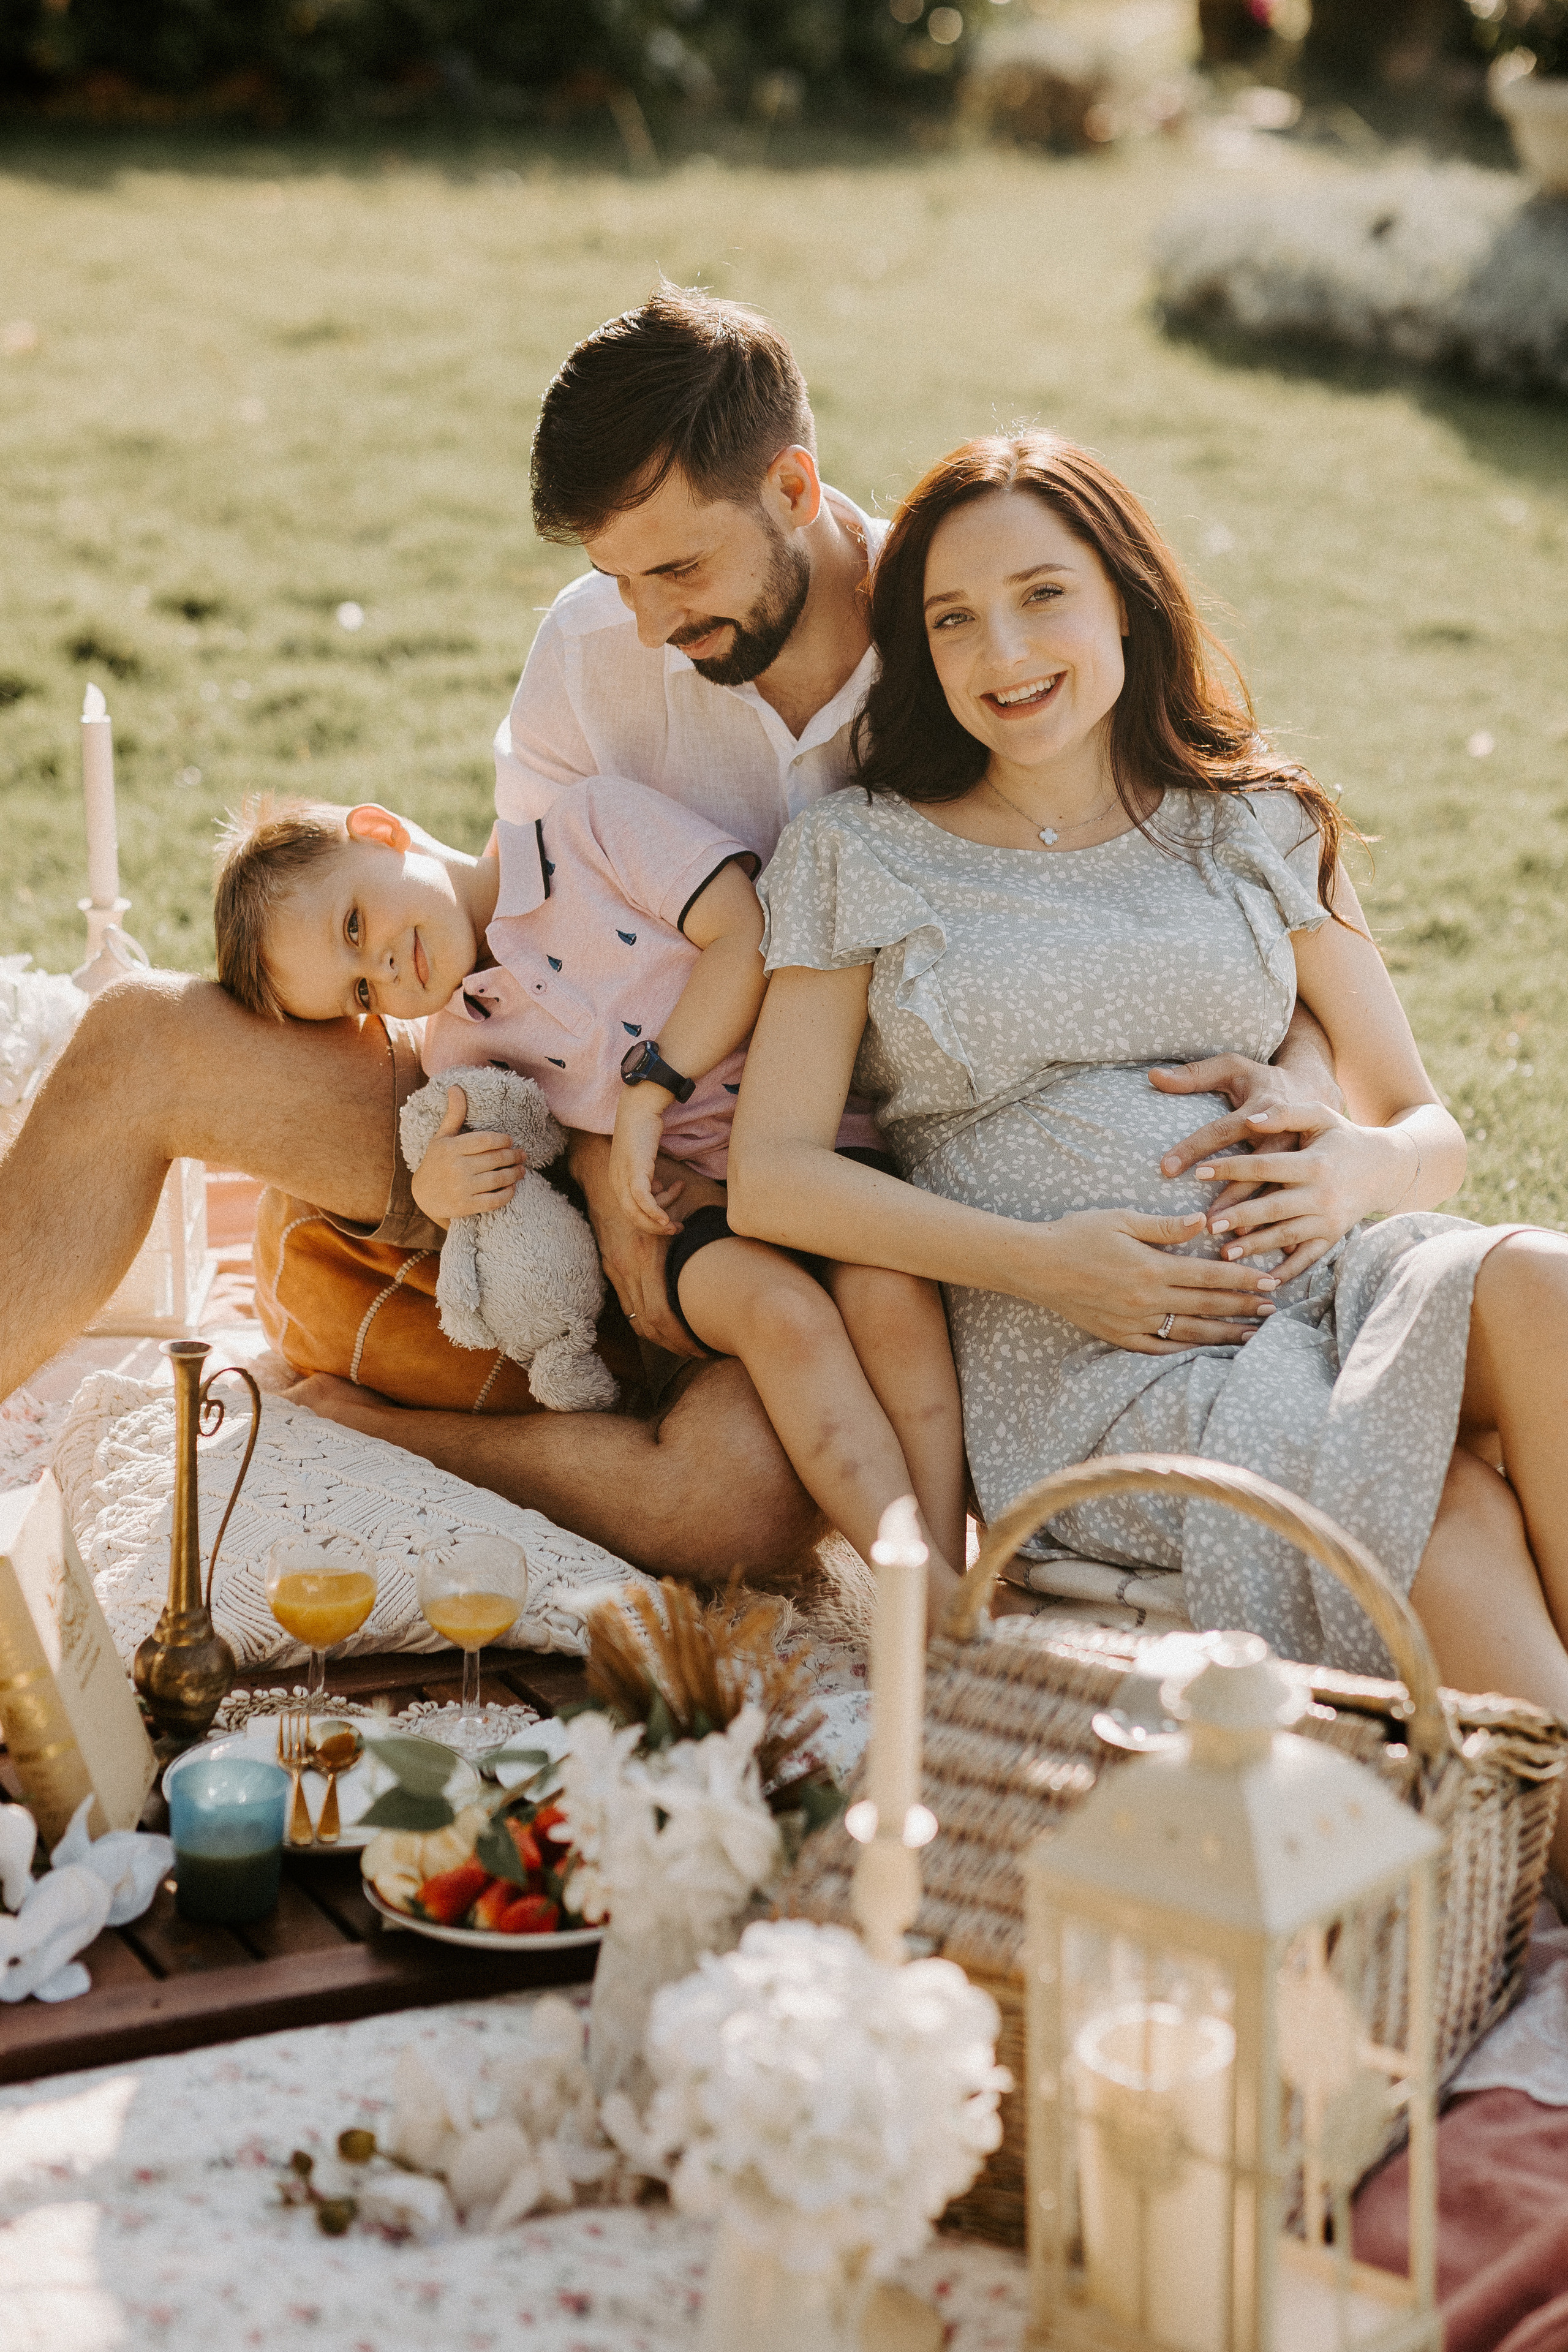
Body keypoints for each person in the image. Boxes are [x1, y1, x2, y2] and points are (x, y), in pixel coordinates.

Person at [0, 290, 1332, 1584]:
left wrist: (1315, 1094)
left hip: (831, 1192)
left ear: (795, 493)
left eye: (680, 569)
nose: (649, 624)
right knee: (137, 1044)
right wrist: (592, 1148)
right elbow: (517, 946)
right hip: (558, 1118)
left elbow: (1205, 878)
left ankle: (391, 1432)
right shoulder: (594, 646)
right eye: (614, 577)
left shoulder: (967, 632)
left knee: (741, 1504)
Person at [728, 429, 1568, 1875]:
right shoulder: (859, 854)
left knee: (1543, 1286)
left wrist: (1348, 1171)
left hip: (1333, 1273)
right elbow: (772, 1175)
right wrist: (1042, 1268)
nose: (1002, 649)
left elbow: (1425, 1126)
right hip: (1096, 1358)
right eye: (950, 618)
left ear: (1122, 597)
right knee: (1446, 1510)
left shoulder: (1254, 820)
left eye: (1041, 595)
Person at [213, 782, 966, 1605]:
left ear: (382, 831)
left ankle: (947, 1583)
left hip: (814, 1135)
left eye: (356, 926)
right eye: (362, 991)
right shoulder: (461, 1041)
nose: (386, 968)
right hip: (685, 1216)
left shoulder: (588, 831)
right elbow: (489, 1150)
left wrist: (652, 1090)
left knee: (894, 1292)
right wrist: (440, 1185)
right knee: (785, 1316)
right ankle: (916, 1597)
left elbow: (743, 930)